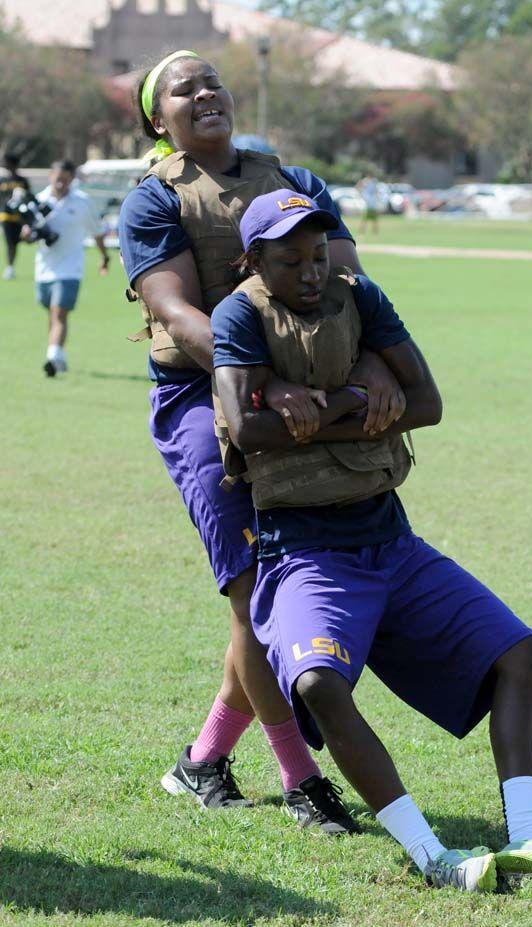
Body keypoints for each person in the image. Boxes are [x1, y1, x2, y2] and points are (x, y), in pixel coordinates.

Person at [210, 189, 532, 891]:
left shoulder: (359, 294)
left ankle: (531, 835)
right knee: (318, 683)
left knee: (522, 656)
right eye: (290, 260)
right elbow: (246, 431)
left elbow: (426, 403)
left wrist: (333, 405)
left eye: (318, 254)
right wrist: (364, 406)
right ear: (254, 259)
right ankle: (434, 858)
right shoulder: (239, 314)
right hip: (303, 550)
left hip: (390, 539)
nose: (311, 271)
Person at [117, 49, 405, 831]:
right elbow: (176, 313)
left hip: (307, 395)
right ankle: (300, 776)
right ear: (158, 118)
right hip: (204, 399)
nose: (205, 91)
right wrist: (260, 379)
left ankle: (204, 759)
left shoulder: (296, 181)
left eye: (213, 80)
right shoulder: (152, 201)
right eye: (184, 87)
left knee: (276, 596)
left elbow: (351, 285)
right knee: (254, 593)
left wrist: (378, 361)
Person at [30, 160, 110, 376]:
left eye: (65, 180)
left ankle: (52, 357)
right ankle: (59, 355)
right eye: (58, 179)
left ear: (72, 180)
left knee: (59, 314)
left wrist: (104, 257)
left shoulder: (82, 202)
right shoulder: (38, 201)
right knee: (53, 314)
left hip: (70, 270)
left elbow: (98, 231)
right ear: (50, 176)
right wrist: (29, 233)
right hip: (44, 270)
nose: (61, 184)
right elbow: (26, 232)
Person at [0, 153, 32, 280]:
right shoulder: (2, 180)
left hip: (21, 217)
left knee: (21, 241)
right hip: (6, 216)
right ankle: (10, 267)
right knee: (10, 243)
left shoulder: (22, 180)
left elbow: (29, 197)